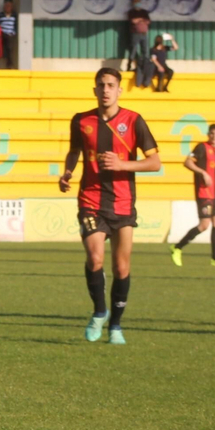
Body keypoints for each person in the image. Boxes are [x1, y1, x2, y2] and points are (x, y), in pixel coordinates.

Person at [58, 67, 161, 345]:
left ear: (119, 90)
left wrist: (122, 164)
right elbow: (74, 151)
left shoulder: (134, 120)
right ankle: (99, 311)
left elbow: (155, 162)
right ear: (94, 89)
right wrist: (67, 172)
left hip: (123, 202)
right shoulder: (81, 121)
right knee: (95, 258)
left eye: (111, 85)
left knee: (122, 267)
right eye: (101, 85)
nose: (106, 90)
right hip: (90, 200)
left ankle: (115, 325)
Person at [173, 124, 215, 267]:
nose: (214, 136)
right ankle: (177, 248)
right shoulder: (201, 147)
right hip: (204, 192)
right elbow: (187, 162)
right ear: (208, 134)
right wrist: (203, 173)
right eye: (212, 133)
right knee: (204, 225)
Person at [124, 0, 151, 72]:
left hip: (144, 34)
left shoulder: (144, 12)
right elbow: (133, 21)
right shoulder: (131, 12)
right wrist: (141, 19)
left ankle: (144, 66)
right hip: (135, 34)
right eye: (135, 2)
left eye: (138, 2)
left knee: (145, 51)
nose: (137, 4)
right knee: (133, 50)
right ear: (133, 3)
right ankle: (129, 66)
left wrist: (140, 20)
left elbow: (148, 21)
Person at [0, 1, 17, 69]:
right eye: (6, 6)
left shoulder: (14, 15)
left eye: (9, 6)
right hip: (1, 34)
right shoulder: (0, 15)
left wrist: (13, 32)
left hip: (9, 34)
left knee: (9, 49)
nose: (7, 8)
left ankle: (9, 65)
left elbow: (16, 25)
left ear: (11, 7)